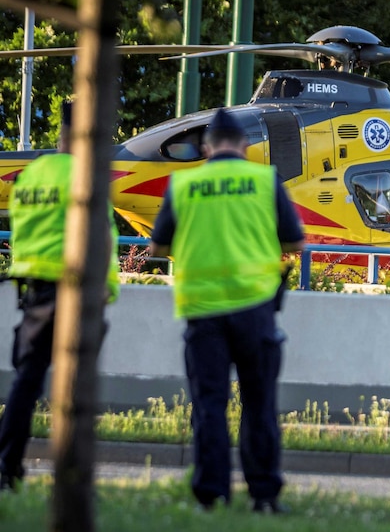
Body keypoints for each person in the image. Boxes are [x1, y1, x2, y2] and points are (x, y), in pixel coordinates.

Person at [150, 108, 304, 513]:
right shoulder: (265, 180)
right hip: (255, 310)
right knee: (259, 406)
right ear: (244, 145)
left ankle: (210, 496)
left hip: (202, 312)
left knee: (209, 406)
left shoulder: (183, 185)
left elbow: (157, 249)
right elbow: (294, 243)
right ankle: (264, 496)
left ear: (206, 147)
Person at [0, 101, 119, 491]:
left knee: (27, 381)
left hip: (35, 291)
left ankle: (7, 466)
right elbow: (99, 234)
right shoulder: (87, 176)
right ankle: (71, 476)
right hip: (77, 290)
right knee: (76, 389)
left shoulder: (32, 175)